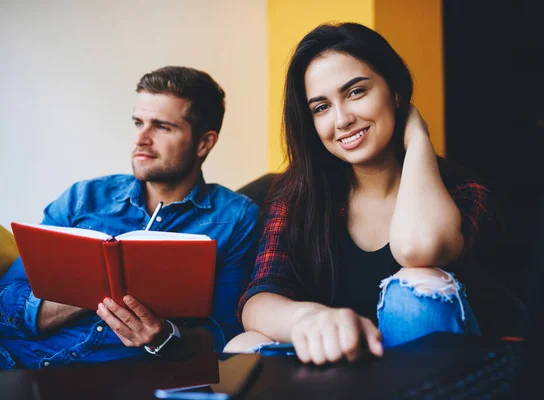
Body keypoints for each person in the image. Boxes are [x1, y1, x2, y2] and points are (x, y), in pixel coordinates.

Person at [224, 22, 500, 365]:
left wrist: (417, 139)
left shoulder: (463, 192)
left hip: (436, 372)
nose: (342, 120)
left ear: (395, 92)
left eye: (356, 92)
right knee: (244, 345)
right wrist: (310, 320)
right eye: (321, 107)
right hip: (340, 367)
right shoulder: (300, 195)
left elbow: (418, 249)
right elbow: (259, 299)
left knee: (416, 287)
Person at [0, 66, 260, 369]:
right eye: (138, 122)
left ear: (204, 143)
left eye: (162, 127)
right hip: (13, 361)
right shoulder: (82, 197)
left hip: (108, 379)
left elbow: (226, 333)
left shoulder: (236, 218)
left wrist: (164, 336)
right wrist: (94, 292)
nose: (142, 139)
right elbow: (6, 301)